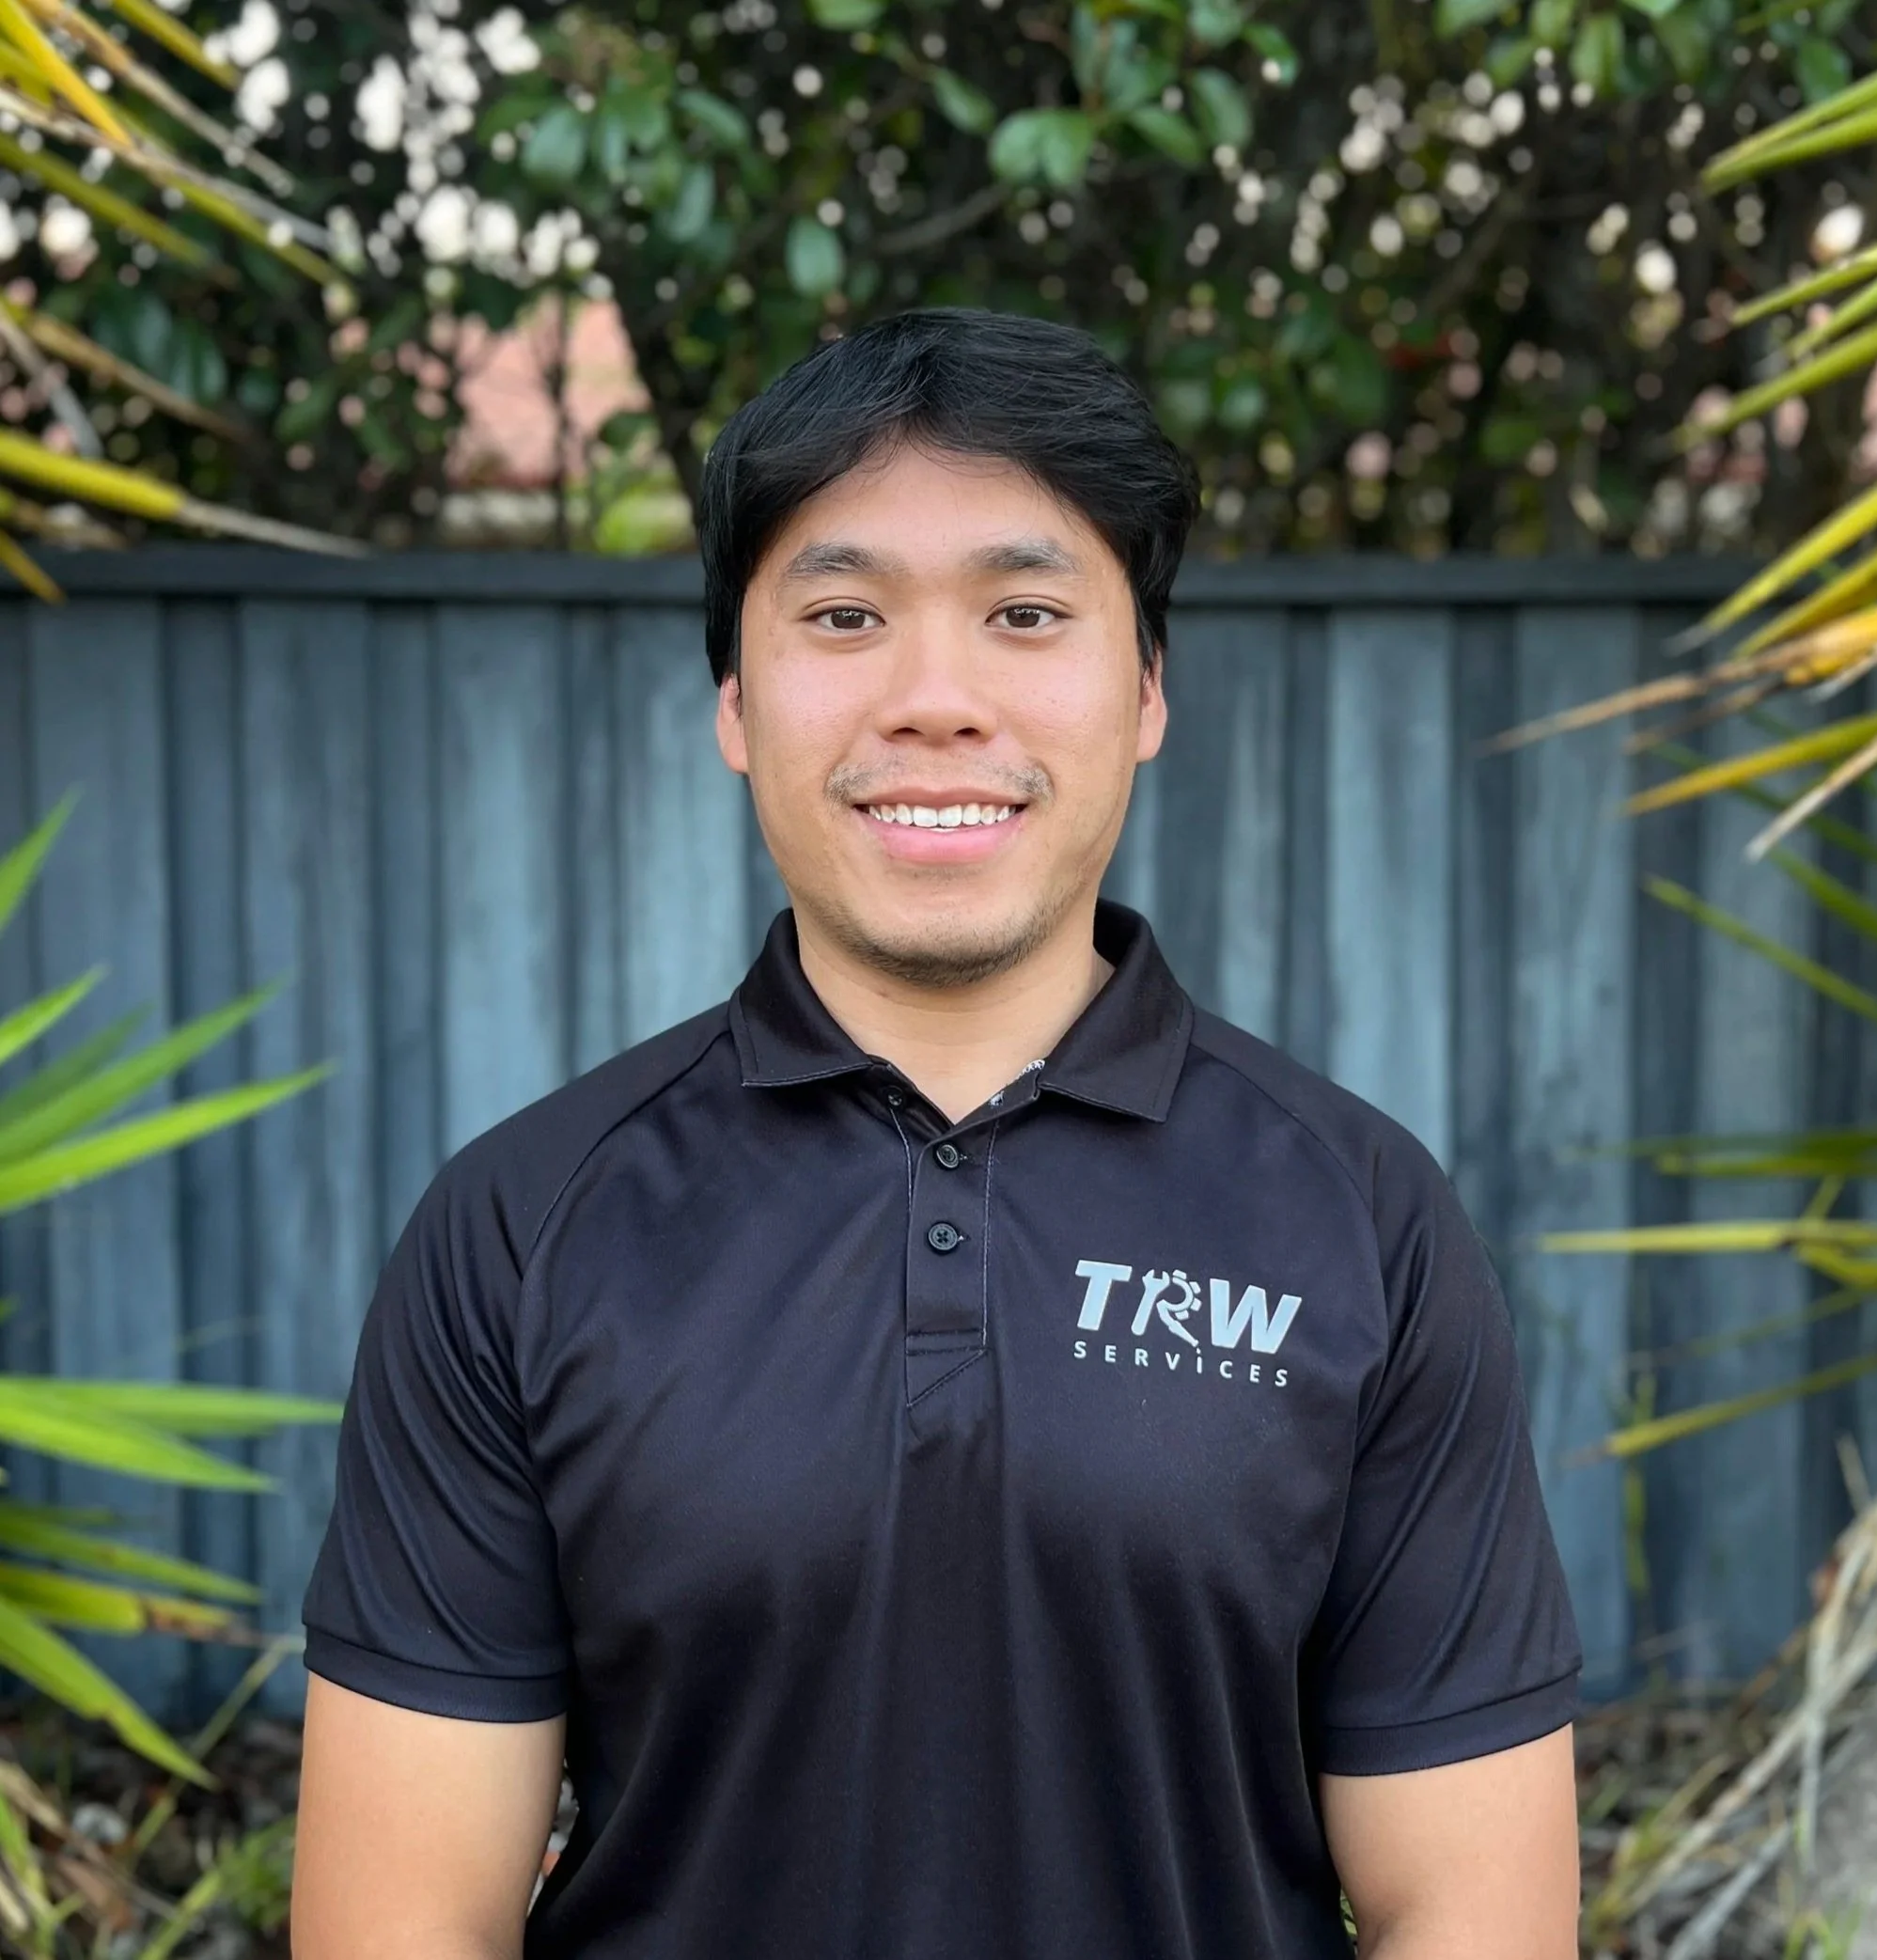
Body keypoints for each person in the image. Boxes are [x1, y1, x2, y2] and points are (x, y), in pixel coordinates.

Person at [291, 307, 1583, 1959]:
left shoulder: (1365, 1222)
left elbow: (1465, 1910)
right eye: (844, 616)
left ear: (1148, 691)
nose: (935, 699)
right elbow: (402, 1925)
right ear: (738, 703)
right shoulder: (522, 1229)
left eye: (1026, 613)